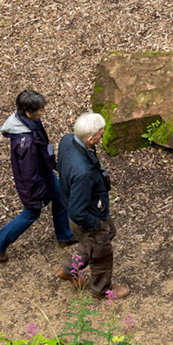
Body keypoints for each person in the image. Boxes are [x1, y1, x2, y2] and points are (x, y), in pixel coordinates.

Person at [0, 90, 74, 264]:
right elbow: (29, 175)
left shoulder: (30, 122)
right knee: (31, 213)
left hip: (44, 173)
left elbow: (44, 146)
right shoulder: (25, 143)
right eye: (40, 110)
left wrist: (51, 162)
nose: (43, 112)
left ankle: (65, 236)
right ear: (28, 113)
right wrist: (39, 195)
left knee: (60, 197)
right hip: (35, 184)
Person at [55, 111, 129, 300]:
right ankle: (102, 289)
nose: (102, 135)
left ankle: (69, 269)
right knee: (102, 251)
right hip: (87, 216)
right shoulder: (83, 173)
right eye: (100, 134)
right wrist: (95, 225)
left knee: (109, 232)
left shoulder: (68, 140)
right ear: (90, 138)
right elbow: (77, 212)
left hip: (91, 207)